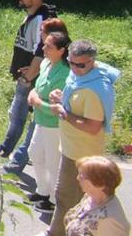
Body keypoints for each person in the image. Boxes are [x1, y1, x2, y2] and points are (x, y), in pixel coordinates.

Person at [47, 40, 121, 236]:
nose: (75, 68)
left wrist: (63, 112)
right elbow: (75, 103)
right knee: (73, 200)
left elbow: (92, 126)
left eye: (81, 65)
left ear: (92, 61)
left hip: (81, 153)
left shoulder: (94, 89)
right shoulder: (81, 77)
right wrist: (62, 98)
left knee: (65, 197)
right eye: (71, 63)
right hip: (71, 147)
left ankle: (55, 233)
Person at [1, 0, 56, 170]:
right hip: (26, 77)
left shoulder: (42, 20)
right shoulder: (32, 15)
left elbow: (41, 53)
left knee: (33, 122)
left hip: (33, 80)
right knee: (16, 115)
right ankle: (4, 151)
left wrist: (29, 76)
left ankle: (16, 162)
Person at [28, 31, 71, 214]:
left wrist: (37, 102)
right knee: (35, 153)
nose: (44, 48)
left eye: (49, 46)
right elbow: (37, 88)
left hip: (54, 125)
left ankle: (55, 201)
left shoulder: (66, 72)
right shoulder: (46, 63)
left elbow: (57, 107)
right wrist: (33, 95)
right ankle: (42, 190)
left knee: (53, 162)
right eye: (44, 44)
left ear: (61, 50)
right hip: (40, 120)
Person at [63, 156, 128, 236]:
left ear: (99, 184)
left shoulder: (108, 219)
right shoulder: (89, 197)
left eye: (81, 176)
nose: (77, 178)